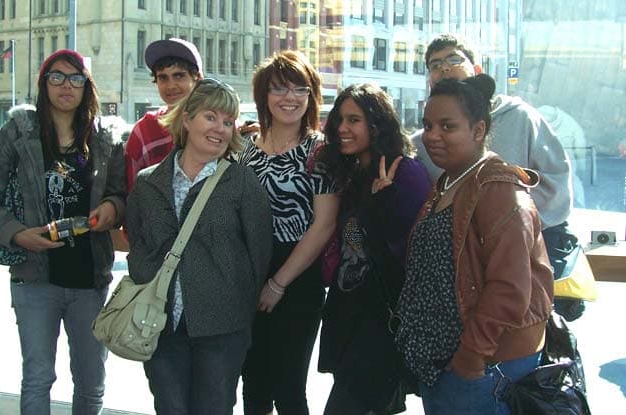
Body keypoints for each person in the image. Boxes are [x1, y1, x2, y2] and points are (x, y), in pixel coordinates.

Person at [0, 49, 126, 414]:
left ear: (87, 87)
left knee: (91, 379)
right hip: (34, 278)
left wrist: (112, 208)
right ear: (44, 84)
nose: (66, 86)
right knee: (38, 376)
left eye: (76, 79)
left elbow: (122, 194)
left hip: (90, 279)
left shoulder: (105, 138)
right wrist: (16, 233)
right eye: (56, 77)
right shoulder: (18, 133)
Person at [395, 74, 554, 415]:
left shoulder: (498, 190)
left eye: (447, 126)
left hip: (478, 368)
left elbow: (509, 288)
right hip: (445, 364)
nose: (432, 136)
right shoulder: (450, 181)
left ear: (479, 130)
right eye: (427, 125)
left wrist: (472, 356)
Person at [126, 77, 273, 414]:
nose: (221, 129)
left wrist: (237, 306)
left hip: (222, 328)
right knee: (170, 407)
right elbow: (138, 241)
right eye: (211, 117)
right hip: (160, 324)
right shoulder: (149, 182)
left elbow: (259, 252)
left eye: (228, 121)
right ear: (187, 119)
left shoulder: (241, 182)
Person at [411, 33, 582, 320]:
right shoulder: (422, 143)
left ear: (477, 69)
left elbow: (555, 182)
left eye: (454, 59)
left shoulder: (521, 118)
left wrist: (508, 218)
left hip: (521, 257)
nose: (443, 68)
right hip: (456, 269)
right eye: (434, 64)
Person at [233, 50, 339, 415]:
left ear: (311, 96)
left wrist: (278, 283)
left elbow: (323, 225)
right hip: (248, 275)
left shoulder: (321, 150)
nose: (289, 98)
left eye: (300, 89)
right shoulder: (245, 149)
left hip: (298, 276)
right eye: (279, 89)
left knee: (290, 388)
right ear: (264, 95)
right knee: (254, 384)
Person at [315, 84, 431, 414]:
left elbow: (414, 256)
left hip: (381, 325)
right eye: (339, 119)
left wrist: (382, 205)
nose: (342, 128)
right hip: (349, 316)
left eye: (354, 120)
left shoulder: (404, 172)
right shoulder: (355, 173)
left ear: (377, 124)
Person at [125, 38, 203, 191]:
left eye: (179, 76)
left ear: (197, 79)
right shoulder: (144, 130)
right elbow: (131, 194)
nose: (171, 86)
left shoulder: (221, 126)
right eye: (163, 78)